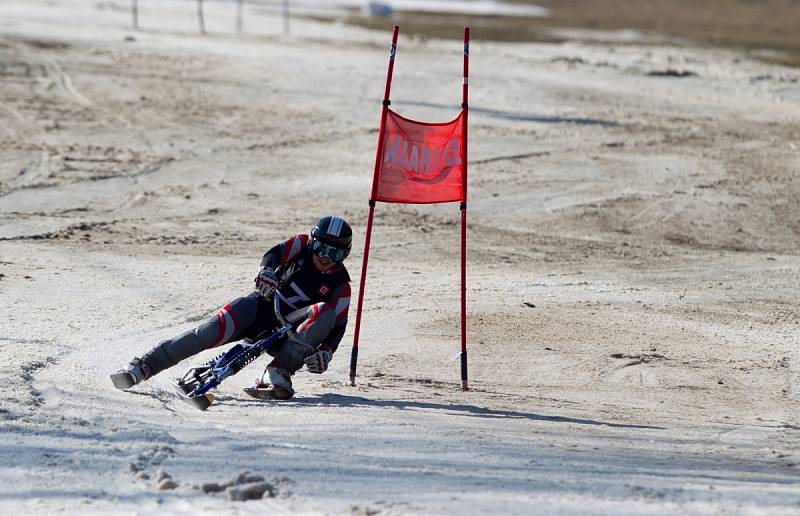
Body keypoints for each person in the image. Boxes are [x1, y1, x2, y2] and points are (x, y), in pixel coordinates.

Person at [111, 215, 352, 400]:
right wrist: (265, 271)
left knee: (324, 312)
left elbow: (337, 328)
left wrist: (326, 353)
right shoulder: (299, 245)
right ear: (311, 242)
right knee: (206, 333)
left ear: (345, 254)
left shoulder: (341, 286)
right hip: (261, 308)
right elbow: (273, 255)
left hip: (290, 336)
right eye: (321, 248)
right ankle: (144, 366)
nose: (326, 257)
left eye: (335, 252)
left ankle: (278, 373)